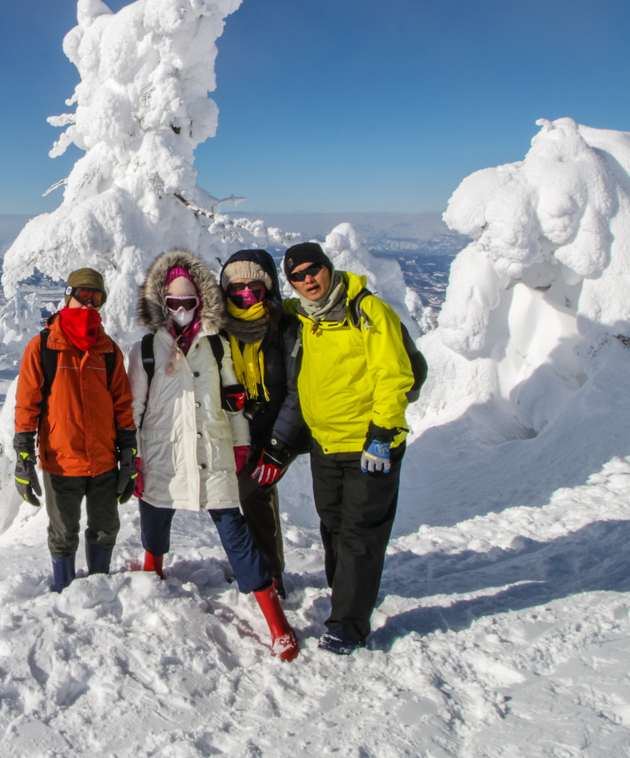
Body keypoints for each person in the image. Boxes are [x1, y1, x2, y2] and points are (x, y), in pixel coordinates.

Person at [128, 249, 298, 661]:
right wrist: (131, 455)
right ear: (162, 304)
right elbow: (132, 409)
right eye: (174, 303)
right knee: (154, 513)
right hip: (162, 450)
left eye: (189, 303)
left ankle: (276, 622)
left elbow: (232, 401)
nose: (182, 310)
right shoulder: (147, 350)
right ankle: (153, 569)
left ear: (200, 303)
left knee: (233, 529)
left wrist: (239, 444)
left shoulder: (217, 346)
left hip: (212, 448)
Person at [281, 242, 416, 655]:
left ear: (329, 267)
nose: (308, 279)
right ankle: (351, 596)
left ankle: (348, 624)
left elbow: (395, 375)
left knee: (360, 533)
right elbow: (252, 308)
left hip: (369, 444)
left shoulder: (367, 311)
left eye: (313, 269)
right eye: (298, 275)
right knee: (334, 527)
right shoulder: (303, 317)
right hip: (326, 444)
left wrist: (381, 433)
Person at [13, 267, 138, 593]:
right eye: (83, 295)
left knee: (106, 527)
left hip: (103, 461)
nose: (89, 304)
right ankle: (64, 589)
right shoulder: (43, 347)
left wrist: (129, 454)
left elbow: (123, 406)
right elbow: (27, 405)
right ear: (68, 296)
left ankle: (98, 588)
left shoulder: (108, 350)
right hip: (61, 459)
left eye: (96, 298)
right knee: (63, 531)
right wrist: (23, 455)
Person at [218, 249, 307, 601]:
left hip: (279, 431)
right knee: (245, 494)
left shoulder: (284, 326)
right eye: (235, 287)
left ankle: (269, 575)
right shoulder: (221, 325)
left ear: (267, 287)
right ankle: (258, 567)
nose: (243, 293)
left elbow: (296, 390)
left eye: (252, 286)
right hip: (241, 431)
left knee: (254, 491)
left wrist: (277, 446)